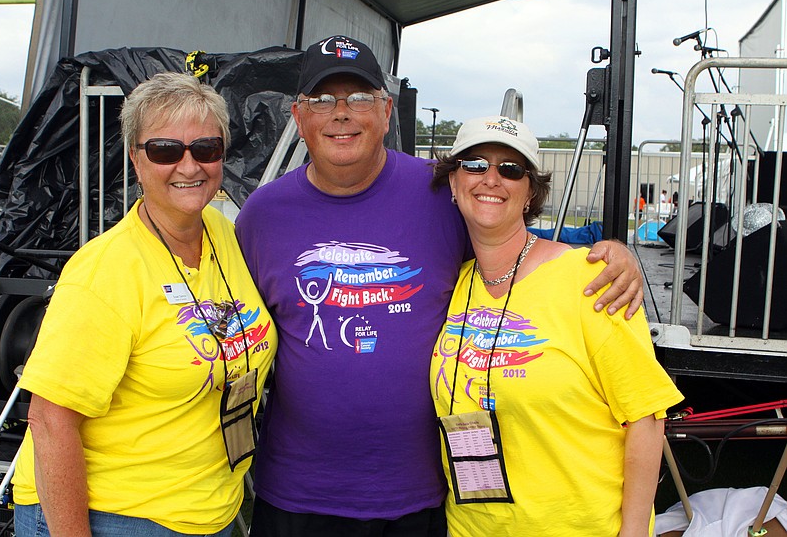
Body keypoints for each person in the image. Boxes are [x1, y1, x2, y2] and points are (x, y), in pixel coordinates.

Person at [235, 35, 644, 537]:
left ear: (387, 112)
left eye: (360, 97)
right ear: (299, 117)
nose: (341, 113)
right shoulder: (263, 215)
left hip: (419, 495)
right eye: (323, 100)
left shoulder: (437, 195)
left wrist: (616, 252)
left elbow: (514, 239)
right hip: (297, 493)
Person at [11, 72, 277, 537]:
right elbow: (50, 420)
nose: (189, 166)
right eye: (165, 150)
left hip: (206, 508)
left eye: (206, 148)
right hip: (118, 516)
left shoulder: (222, 234)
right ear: (136, 159)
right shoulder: (104, 272)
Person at [430, 115, 683, 536]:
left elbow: (644, 414)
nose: (491, 178)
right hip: (470, 527)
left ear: (530, 193)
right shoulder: (453, 284)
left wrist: (635, 529)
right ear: (454, 184)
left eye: (510, 169)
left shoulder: (591, 280)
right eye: (474, 164)